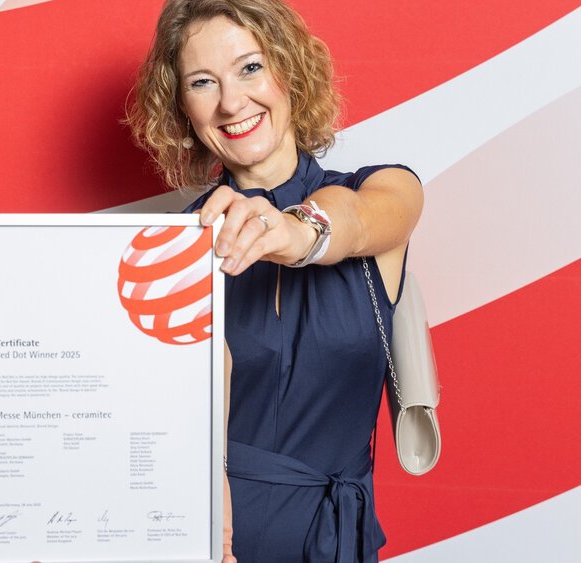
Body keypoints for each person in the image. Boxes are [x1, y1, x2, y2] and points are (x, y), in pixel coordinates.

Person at [126, 1, 423, 561]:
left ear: (291, 70)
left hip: (335, 541)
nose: (232, 102)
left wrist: (295, 231)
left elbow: (353, 221)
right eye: (202, 82)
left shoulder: (385, 189)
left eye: (250, 68)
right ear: (182, 108)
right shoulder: (167, 250)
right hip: (202, 543)